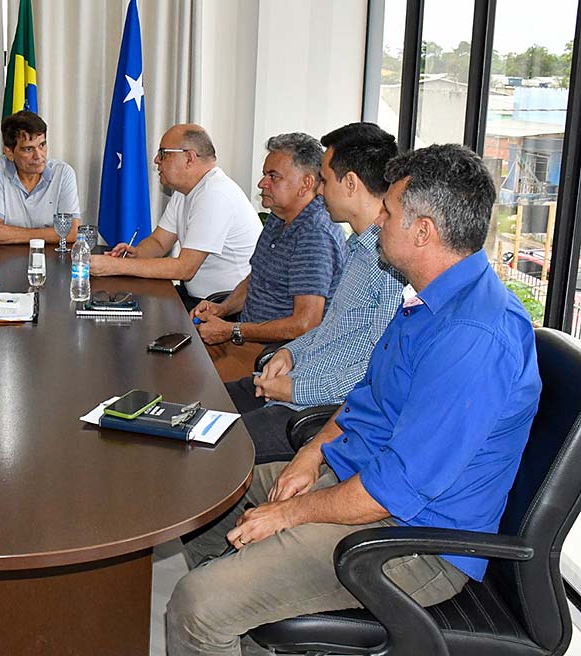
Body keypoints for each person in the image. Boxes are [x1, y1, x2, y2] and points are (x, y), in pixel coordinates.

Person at [166, 144, 542, 656]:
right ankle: (249, 613)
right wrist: (311, 452)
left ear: (423, 231)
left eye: (389, 212)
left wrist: (291, 515)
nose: (378, 220)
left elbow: (396, 489)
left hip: (410, 539)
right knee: (204, 505)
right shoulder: (427, 300)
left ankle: (227, 608)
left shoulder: (474, 336)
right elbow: (366, 398)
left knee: (197, 605)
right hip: (354, 480)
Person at [226, 123, 404, 463]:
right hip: (296, 380)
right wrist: (289, 353)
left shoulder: (390, 264)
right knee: (205, 406)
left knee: (213, 448)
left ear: (350, 184)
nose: (319, 191)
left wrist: (294, 388)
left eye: (324, 179)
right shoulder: (357, 247)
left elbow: (374, 372)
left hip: (317, 410)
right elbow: (330, 328)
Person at [190, 133, 346, 347]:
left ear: (306, 183)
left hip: (273, 354)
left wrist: (232, 330)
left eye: (274, 176)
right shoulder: (279, 216)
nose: (262, 183)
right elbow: (257, 278)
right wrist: (222, 309)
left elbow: (305, 324)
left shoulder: (314, 234)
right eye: (265, 175)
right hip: (246, 339)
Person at [90, 124, 262, 310]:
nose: (156, 160)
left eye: (163, 153)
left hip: (224, 307)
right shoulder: (185, 191)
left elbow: (185, 268)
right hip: (196, 298)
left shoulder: (215, 193)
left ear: (189, 158)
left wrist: (115, 266)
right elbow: (159, 243)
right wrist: (136, 254)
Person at [0, 110, 83, 244]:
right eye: (28, 149)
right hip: (1, 255)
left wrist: (15, 235)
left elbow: (72, 232)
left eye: (42, 145)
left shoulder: (63, 173)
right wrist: (51, 234)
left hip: (49, 255)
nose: (38, 156)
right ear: (9, 153)